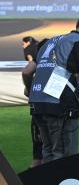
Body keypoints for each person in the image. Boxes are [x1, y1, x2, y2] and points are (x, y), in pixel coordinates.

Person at [23, 15, 79, 163]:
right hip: (61, 106)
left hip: (37, 104)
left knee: (48, 153)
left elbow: (26, 72)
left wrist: (29, 89)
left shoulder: (49, 42)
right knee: (65, 159)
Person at [21, 38, 48, 168]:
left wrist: (30, 88)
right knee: (53, 153)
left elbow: (26, 72)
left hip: (38, 110)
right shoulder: (59, 63)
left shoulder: (39, 65)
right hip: (55, 113)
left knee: (38, 155)